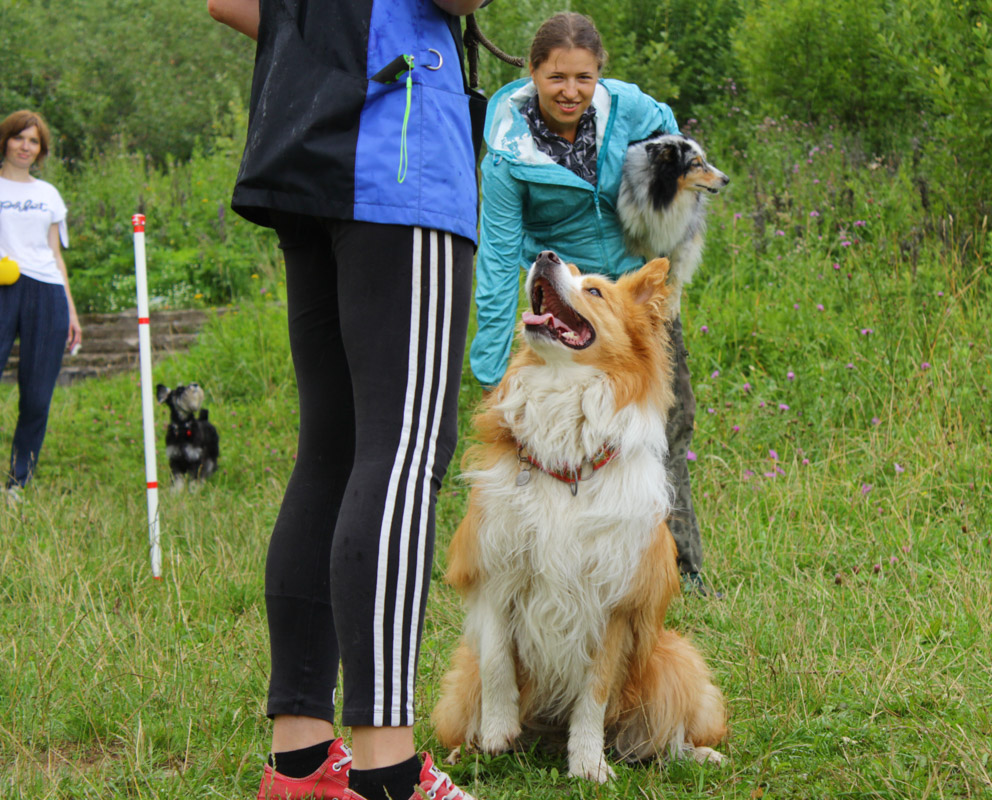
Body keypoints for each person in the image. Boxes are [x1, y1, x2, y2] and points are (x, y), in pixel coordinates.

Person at [208, 1, 486, 799]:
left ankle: (300, 762)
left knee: (329, 456)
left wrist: (328, 43)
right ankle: (387, 770)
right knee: (401, 455)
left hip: (304, 142)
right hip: (398, 148)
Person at [469, 12, 712, 595]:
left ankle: (681, 566)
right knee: (565, 436)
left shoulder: (629, 109)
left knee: (667, 422)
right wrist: (490, 361)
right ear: (532, 72)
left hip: (631, 295)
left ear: (600, 74)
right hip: (568, 298)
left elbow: (673, 149)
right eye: (556, 77)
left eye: (584, 77)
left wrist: (658, 221)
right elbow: (498, 255)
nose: (570, 91)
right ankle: (563, 560)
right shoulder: (507, 149)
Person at [0, 110, 82, 499]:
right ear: (5, 141)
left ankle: (18, 483)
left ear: (41, 149)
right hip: (3, 287)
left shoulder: (48, 194)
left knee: (36, 397)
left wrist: (71, 311)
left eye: (33, 141)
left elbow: (55, 255)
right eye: (19, 137)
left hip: (47, 293)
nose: (25, 146)